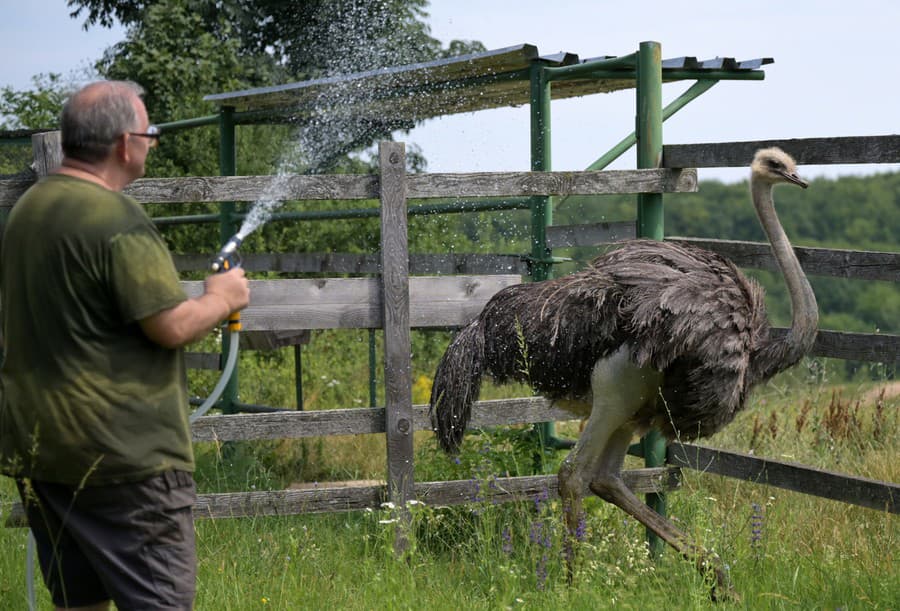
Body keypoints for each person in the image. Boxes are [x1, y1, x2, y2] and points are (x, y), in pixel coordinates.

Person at [0, 80, 250, 610]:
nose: (152, 143)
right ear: (122, 143)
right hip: (124, 460)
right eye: (150, 133)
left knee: (79, 603)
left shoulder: (28, 212)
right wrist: (223, 297)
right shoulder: (115, 218)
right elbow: (171, 325)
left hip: (45, 452)